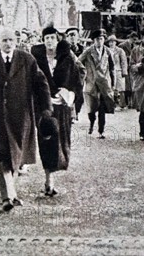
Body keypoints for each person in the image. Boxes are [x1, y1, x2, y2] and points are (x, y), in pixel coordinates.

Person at [0, 28, 52, 210]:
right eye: (4, 40)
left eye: (11, 40)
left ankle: (11, 193)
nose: (8, 44)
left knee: (16, 156)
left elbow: (41, 84)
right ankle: (7, 197)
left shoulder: (27, 60)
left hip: (20, 116)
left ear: (16, 41)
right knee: (2, 155)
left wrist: (46, 109)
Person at [30, 27, 83, 196]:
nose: (50, 41)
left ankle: (54, 173)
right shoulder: (36, 59)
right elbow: (32, 80)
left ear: (58, 39)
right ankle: (49, 180)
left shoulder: (68, 58)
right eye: (46, 38)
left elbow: (78, 77)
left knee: (62, 140)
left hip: (62, 106)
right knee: (47, 140)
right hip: (44, 107)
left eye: (52, 37)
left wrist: (70, 94)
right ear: (43, 40)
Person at [78, 29, 115, 139]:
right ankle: (91, 122)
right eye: (97, 39)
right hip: (92, 83)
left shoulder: (108, 52)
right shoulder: (88, 51)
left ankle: (101, 130)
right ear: (93, 40)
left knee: (102, 108)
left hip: (104, 84)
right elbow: (78, 62)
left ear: (104, 40)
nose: (99, 41)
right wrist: (85, 73)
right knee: (92, 109)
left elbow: (112, 68)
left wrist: (113, 83)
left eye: (101, 39)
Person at [106, 35, 129, 109]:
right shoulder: (107, 50)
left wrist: (124, 71)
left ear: (116, 42)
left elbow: (123, 61)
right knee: (111, 88)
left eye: (113, 42)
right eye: (110, 42)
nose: (111, 43)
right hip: (110, 71)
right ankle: (112, 104)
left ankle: (122, 104)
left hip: (118, 70)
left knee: (121, 88)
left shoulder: (120, 51)